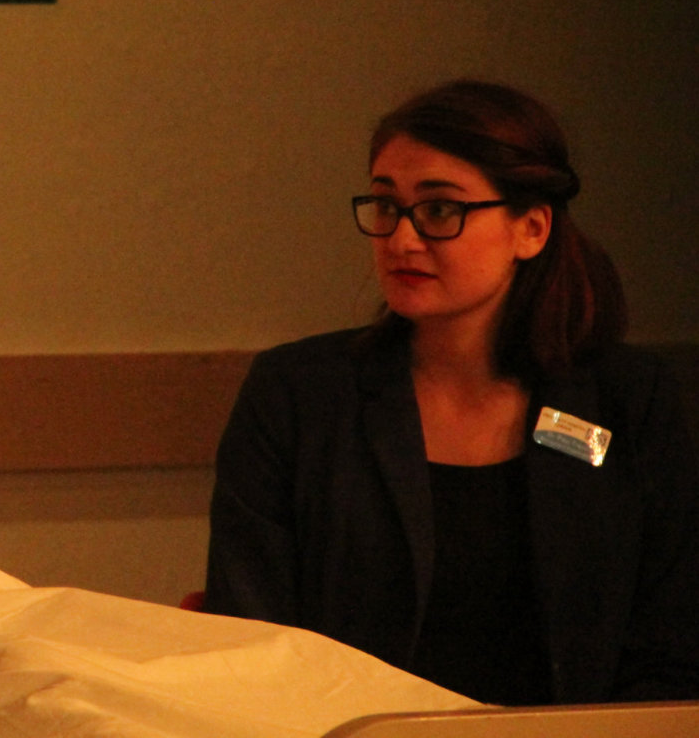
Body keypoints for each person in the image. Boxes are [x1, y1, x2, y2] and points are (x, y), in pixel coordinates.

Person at [204, 79, 699, 705]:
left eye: (440, 209)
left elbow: (671, 647)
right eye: (387, 206)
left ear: (531, 229)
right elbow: (252, 637)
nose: (401, 239)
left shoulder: (630, 400)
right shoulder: (299, 395)